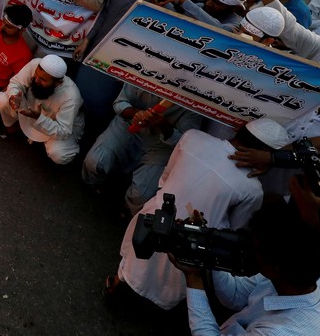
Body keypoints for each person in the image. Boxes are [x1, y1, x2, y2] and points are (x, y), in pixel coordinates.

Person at [110, 118, 290, 311]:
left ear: (240, 130)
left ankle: (117, 287)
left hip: (154, 219)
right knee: (165, 286)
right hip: (192, 246)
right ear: (263, 156)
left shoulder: (193, 137)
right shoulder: (252, 190)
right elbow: (235, 230)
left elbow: (165, 178)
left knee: (133, 266)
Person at [179, 200, 320, 335]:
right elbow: (236, 295)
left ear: (273, 269)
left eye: (253, 248)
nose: (247, 250)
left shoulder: (281, 332)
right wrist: (208, 247)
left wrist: (194, 278)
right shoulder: (301, 272)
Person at [82, 84, 202, 215]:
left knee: (142, 195)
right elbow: (120, 103)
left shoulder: (194, 101)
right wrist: (136, 113)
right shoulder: (145, 72)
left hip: (161, 144)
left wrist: (163, 125)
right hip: (127, 126)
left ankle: (128, 209)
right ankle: (93, 183)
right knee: (96, 161)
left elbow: (184, 140)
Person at [0, 54, 84, 165]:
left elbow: (63, 131)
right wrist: (14, 97)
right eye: (36, 75)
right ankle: (12, 126)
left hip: (55, 124)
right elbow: (16, 82)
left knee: (59, 153)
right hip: (31, 110)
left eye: (42, 80)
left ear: (58, 83)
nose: (36, 80)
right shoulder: (35, 64)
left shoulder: (71, 96)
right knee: (3, 100)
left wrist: (38, 117)